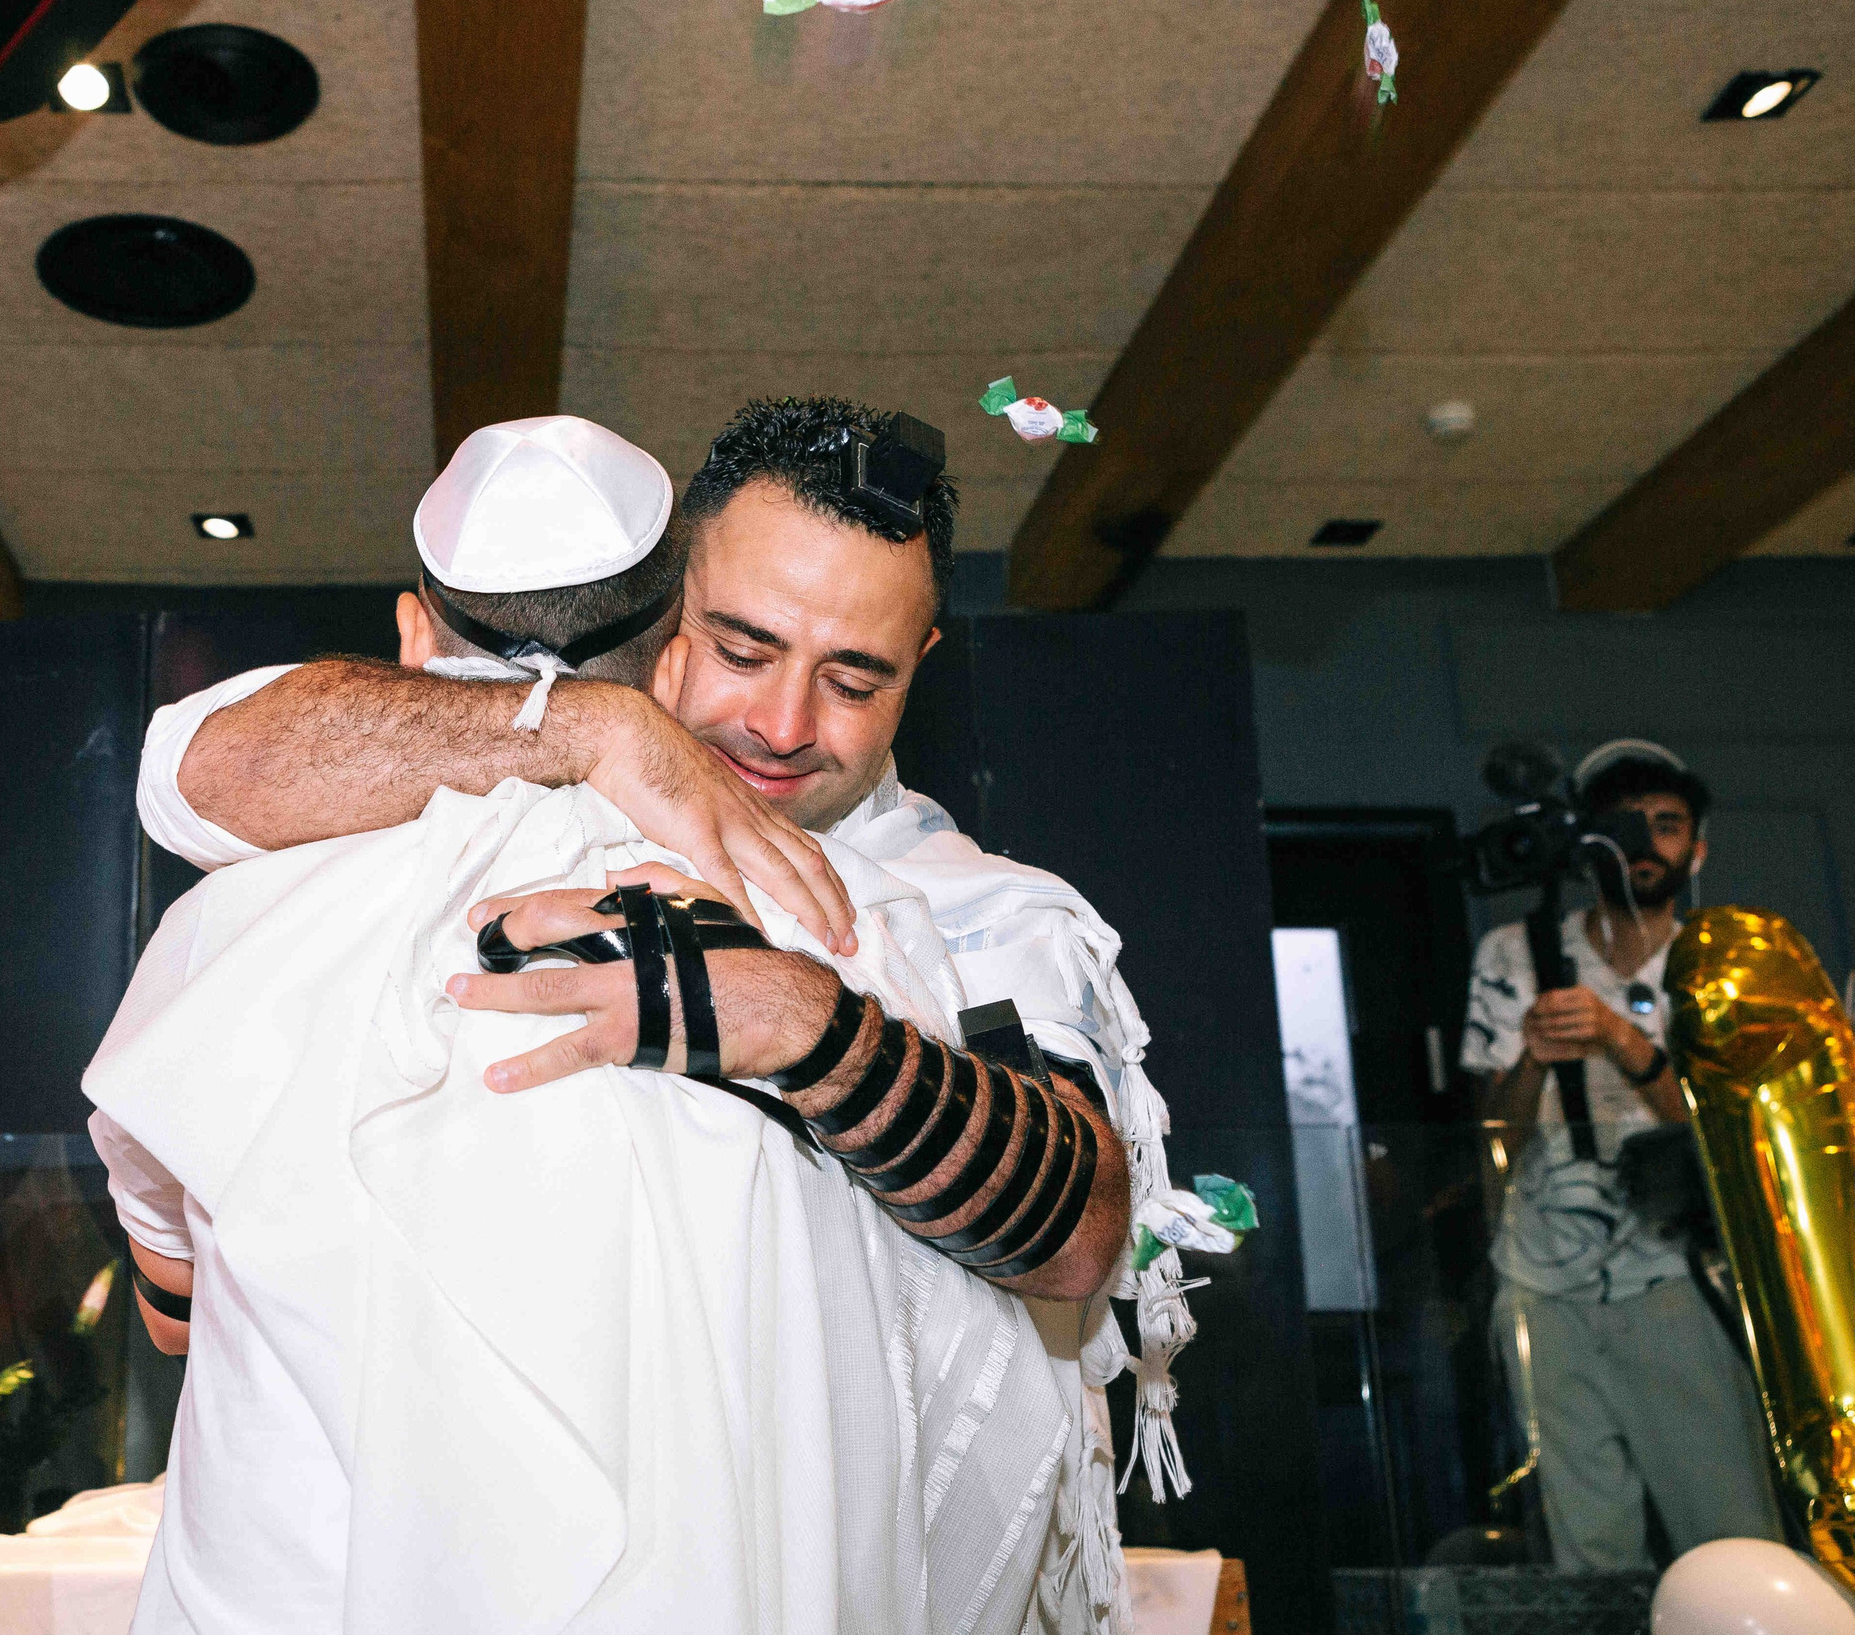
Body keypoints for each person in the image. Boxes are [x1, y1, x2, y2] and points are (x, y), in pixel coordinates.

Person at [88, 413, 1132, 1633]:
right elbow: (196, 768)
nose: (785, 723)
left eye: (855, 678)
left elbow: (1081, 1232)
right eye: (742, 647)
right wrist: (592, 723)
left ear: (922, 664)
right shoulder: (401, 831)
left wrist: (800, 1023)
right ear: (668, 622)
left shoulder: (950, 910)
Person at [1462, 738, 1783, 1571]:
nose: (1644, 843)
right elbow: (1492, 1138)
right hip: (1543, 1278)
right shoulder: (1515, 953)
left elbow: (1740, 1130)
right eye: (1624, 823)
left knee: (1728, 1522)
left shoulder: (1725, 960)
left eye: (1667, 825)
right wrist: (1535, 1054)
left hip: (1683, 1276)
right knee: (1587, 1540)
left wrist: (1622, 1041)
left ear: (1698, 846)